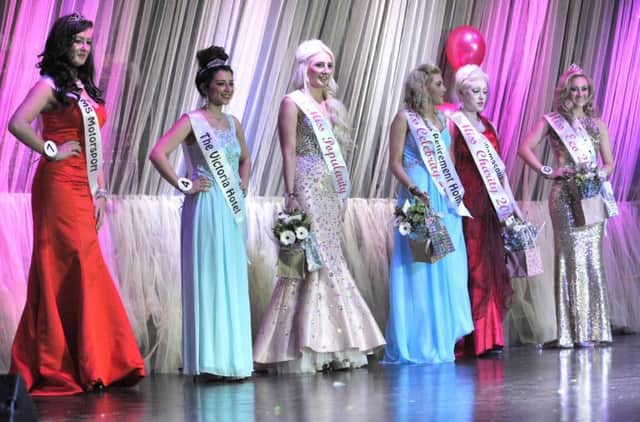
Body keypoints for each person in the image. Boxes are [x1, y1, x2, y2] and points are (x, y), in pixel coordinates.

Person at [8, 13, 145, 395]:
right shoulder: (50, 84)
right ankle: (71, 363)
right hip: (57, 187)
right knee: (68, 266)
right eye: (77, 41)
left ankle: (98, 361)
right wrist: (50, 148)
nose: (84, 48)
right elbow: (17, 123)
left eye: (88, 42)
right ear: (62, 45)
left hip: (84, 188)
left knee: (86, 264)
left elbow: (94, 149)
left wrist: (99, 191)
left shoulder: (85, 90)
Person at [253, 39, 385, 373]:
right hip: (307, 186)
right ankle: (302, 343)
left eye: (328, 65)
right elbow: (289, 150)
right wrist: (290, 191)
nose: (325, 71)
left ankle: (337, 339)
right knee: (309, 258)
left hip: (330, 188)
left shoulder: (332, 106)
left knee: (331, 257)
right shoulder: (292, 102)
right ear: (304, 68)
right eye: (318, 65)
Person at [149, 46, 253, 379]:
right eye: (221, 83)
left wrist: (243, 183)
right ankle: (210, 361)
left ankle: (233, 360)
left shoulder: (234, 122)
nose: (227, 89)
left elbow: (245, 159)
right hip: (206, 207)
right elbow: (158, 153)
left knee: (232, 278)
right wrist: (184, 183)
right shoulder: (192, 121)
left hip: (231, 208)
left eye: (230, 83)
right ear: (205, 87)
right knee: (210, 277)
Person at [518, 64, 614, 348]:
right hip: (563, 197)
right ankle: (572, 333)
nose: (580, 94)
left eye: (584, 89)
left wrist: (599, 174)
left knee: (593, 260)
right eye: (575, 89)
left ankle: (595, 329)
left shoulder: (597, 124)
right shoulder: (551, 121)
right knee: (569, 259)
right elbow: (524, 148)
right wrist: (548, 171)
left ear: (590, 92)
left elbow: (609, 162)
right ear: (565, 91)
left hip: (591, 196)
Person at [383, 63, 473, 364]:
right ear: (424, 87)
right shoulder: (403, 119)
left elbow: (447, 161)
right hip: (419, 194)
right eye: (437, 84)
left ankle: (442, 339)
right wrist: (413, 189)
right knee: (421, 267)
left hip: (443, 197)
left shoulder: (442, 120)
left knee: (448, 266)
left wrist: (456, 194)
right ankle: (419, 341)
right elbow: (395, 162)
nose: (443, 89)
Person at [449, 65, 516, 357]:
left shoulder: (490, 126)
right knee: (472, 267)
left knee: (490, 268)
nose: (481, 97)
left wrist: (512, 204)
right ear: (461, 93)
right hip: (467, 204)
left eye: (484, 92)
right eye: (475, 91)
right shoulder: (452, 124)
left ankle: (491, 336)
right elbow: (448, 165)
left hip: (490, 206)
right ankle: (472, 337)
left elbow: (501, 172)